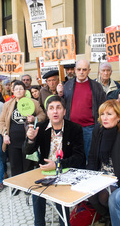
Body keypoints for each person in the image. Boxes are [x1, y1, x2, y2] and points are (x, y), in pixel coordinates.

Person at [24, 95, 85, 226]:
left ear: (64, 111)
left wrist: (58, 165)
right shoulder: (40, 128)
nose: (55, 111)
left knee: (60, 200)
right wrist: (31, 139)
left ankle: (64, 223)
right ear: (47, 112)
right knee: (36, 192)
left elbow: (79, 157)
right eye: (51, 108)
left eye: (58, 108)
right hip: (45, 172)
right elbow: (27, 151)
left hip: (66, 171)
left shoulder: (75, 129)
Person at [87, 99, 120, 224]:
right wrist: (88, 178)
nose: (105, 118)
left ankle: (114, 217)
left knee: (104, 197)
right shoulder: (98, 130)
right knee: (89, 195)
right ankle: (109, 216)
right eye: (102, 114)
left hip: (118, 177)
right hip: (101, 175)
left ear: (119, 117)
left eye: (109, 114)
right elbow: (92, 156)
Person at [0, 81, 46, 188]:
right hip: (13, 141)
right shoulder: (8, 104)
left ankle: (28, 186)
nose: (19, 91)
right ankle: (17, 186)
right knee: (15, 165)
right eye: (16, 89)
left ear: (25, 91)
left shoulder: (33, 103)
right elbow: (1, 121)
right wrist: (5, 134)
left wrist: (35, 119)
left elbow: (43, 116)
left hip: (28, 140)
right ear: (13, 91)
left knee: (28, 165)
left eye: (21, 88)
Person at [57, 59, 106, 157]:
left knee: (89, 157)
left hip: (90, 129)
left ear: (89, 70)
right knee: (72, 157)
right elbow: (60, 105)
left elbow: (103, 107)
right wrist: (60, 94)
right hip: (71, 128)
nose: (81, 72)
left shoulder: (97, 87)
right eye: (79, 69)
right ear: (75, 70)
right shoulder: (67, 86)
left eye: (84, 69)